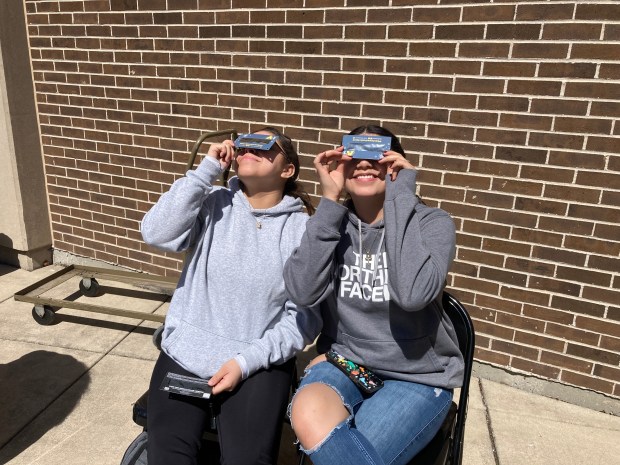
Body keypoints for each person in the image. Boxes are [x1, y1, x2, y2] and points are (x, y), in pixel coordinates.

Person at [283, 124, 464, 465]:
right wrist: (329, 202)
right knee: (307, 413)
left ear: (398, 165)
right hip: (346, 362)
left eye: (379, 156)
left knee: (352, 453)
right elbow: (302, 292)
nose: (365, 163)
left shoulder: (433, 224)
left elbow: (413, 294)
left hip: (418, 376)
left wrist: (401, 199)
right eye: (354, 155)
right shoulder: (330, 223)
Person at [140, 127, 319, 465]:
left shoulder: (303, 230)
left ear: (288, 170)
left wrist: (244, 362)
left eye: (265, 146)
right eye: (245, 143)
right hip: (187, 352)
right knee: (166, 457)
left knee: (248, 460)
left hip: (256, 362)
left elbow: (304, 318)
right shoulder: (212, 203)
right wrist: (206, 171)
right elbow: (155, 233)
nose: (250, 149)